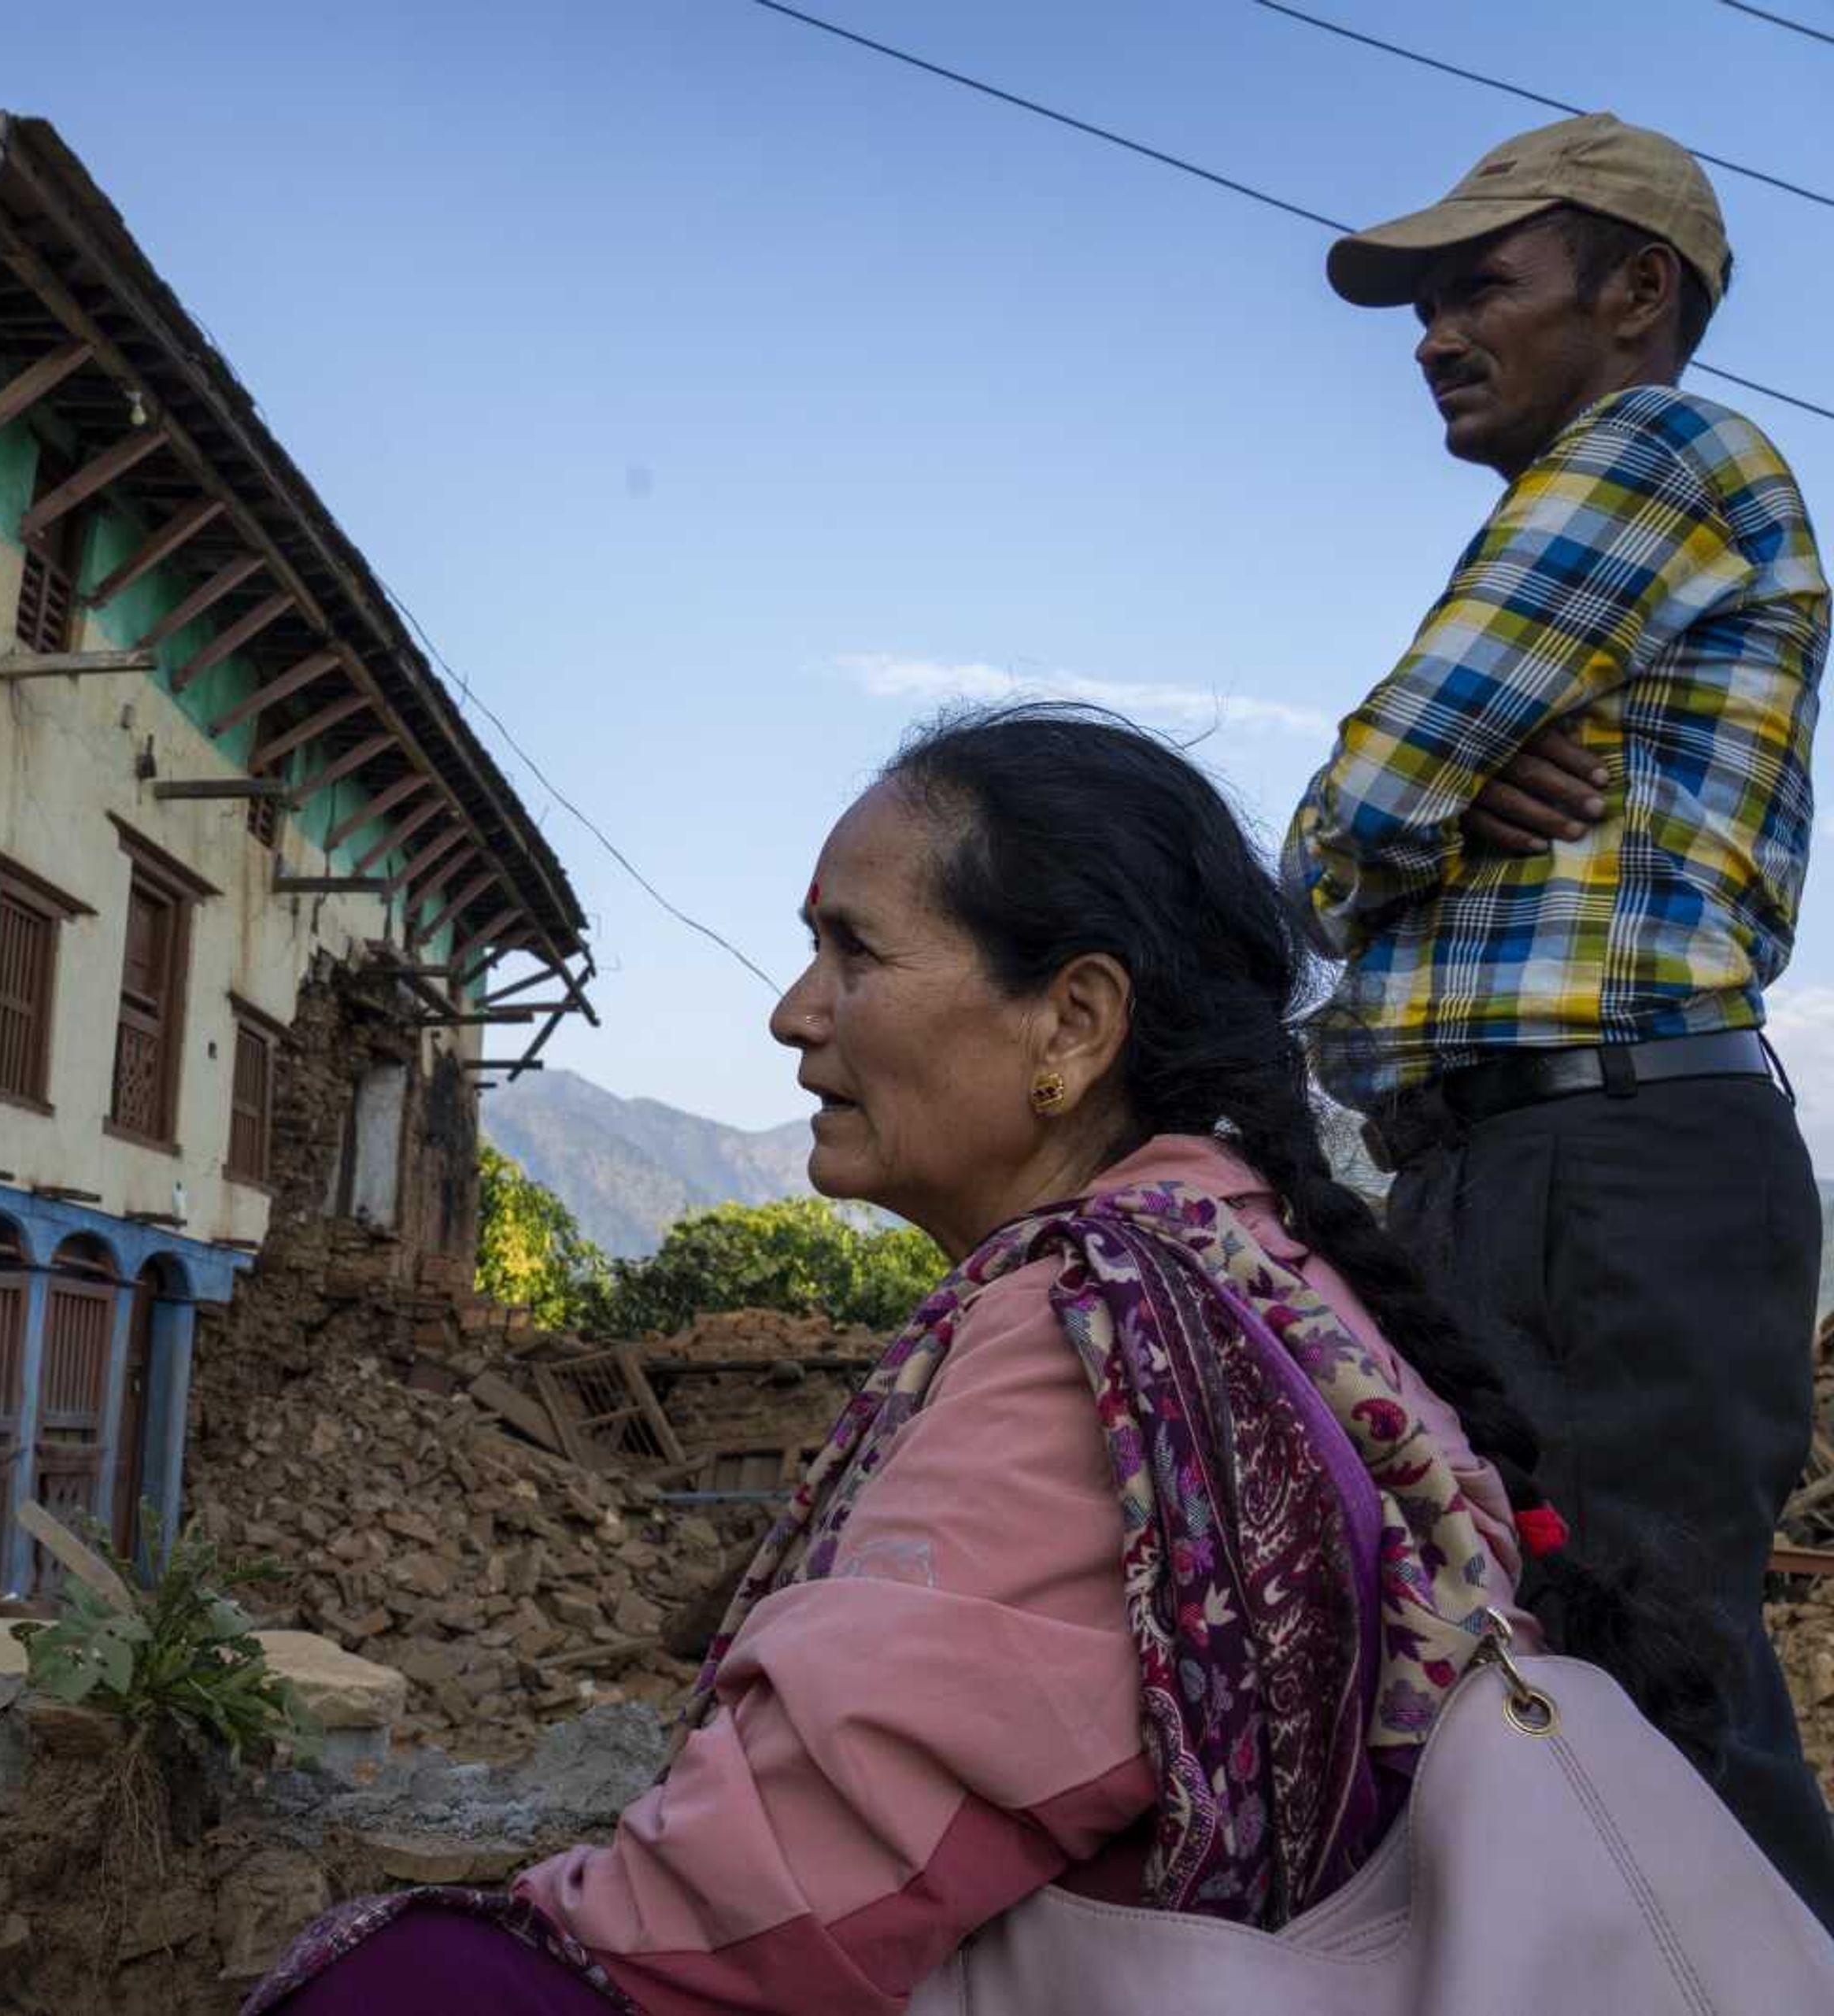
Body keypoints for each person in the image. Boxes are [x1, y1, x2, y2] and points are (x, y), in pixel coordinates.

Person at [245, 708, 1726, 2014]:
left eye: (853, 950)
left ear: (1072, 1022)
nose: (794, 1012)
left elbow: (744, 1909)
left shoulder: (1091, 1332)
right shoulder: (1263, 1268)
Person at [1282, 111, 1834, 1918]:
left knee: (1647, 1701)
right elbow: (1376, 816)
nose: (1433, 332)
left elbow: (1361, 799)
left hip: (1602, 1164)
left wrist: (1400, 818)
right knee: (1543, 1689)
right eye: (1419, 302)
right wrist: (1408, 813)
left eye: (1479, 286)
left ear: (1637, 290)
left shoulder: (1651, 447)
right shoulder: (1609, 499)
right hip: (1538, 1160)